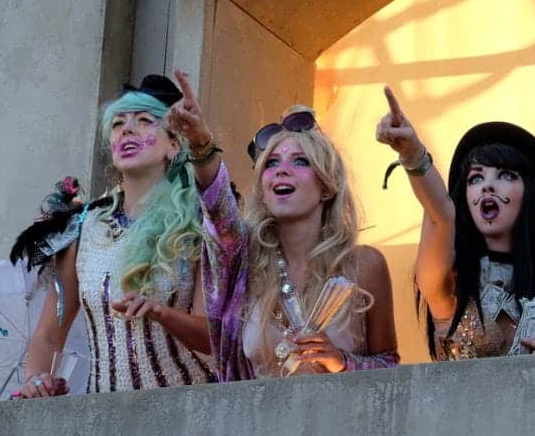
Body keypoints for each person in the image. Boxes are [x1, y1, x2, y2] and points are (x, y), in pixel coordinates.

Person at [167, 71, 398, 380]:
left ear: (327, 186)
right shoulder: (245, 263)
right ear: (262, 187)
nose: (282, 171)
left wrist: (340, 361)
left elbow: (390, 368)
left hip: (338, 425)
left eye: (300, 161)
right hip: (255, 425)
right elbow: (219, 214)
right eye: (271, 163)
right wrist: (200, 143)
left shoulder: (364, 265)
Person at [11, 75, 216, 397]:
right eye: (118, 123)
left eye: (145, 121)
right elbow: (49, 336)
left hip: (190, 412)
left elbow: (215, 335)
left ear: (174, 144)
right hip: (104, 419)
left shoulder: (199, 223)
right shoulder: (81, 228)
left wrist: (163, 312)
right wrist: (37, 379)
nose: (127, 130)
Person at [375, 89, 535, 360]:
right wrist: (413, 155)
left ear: (529, 193)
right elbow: (440, 215)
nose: (487, 185)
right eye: (475, 178)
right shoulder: (449, 280)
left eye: (505, 175)